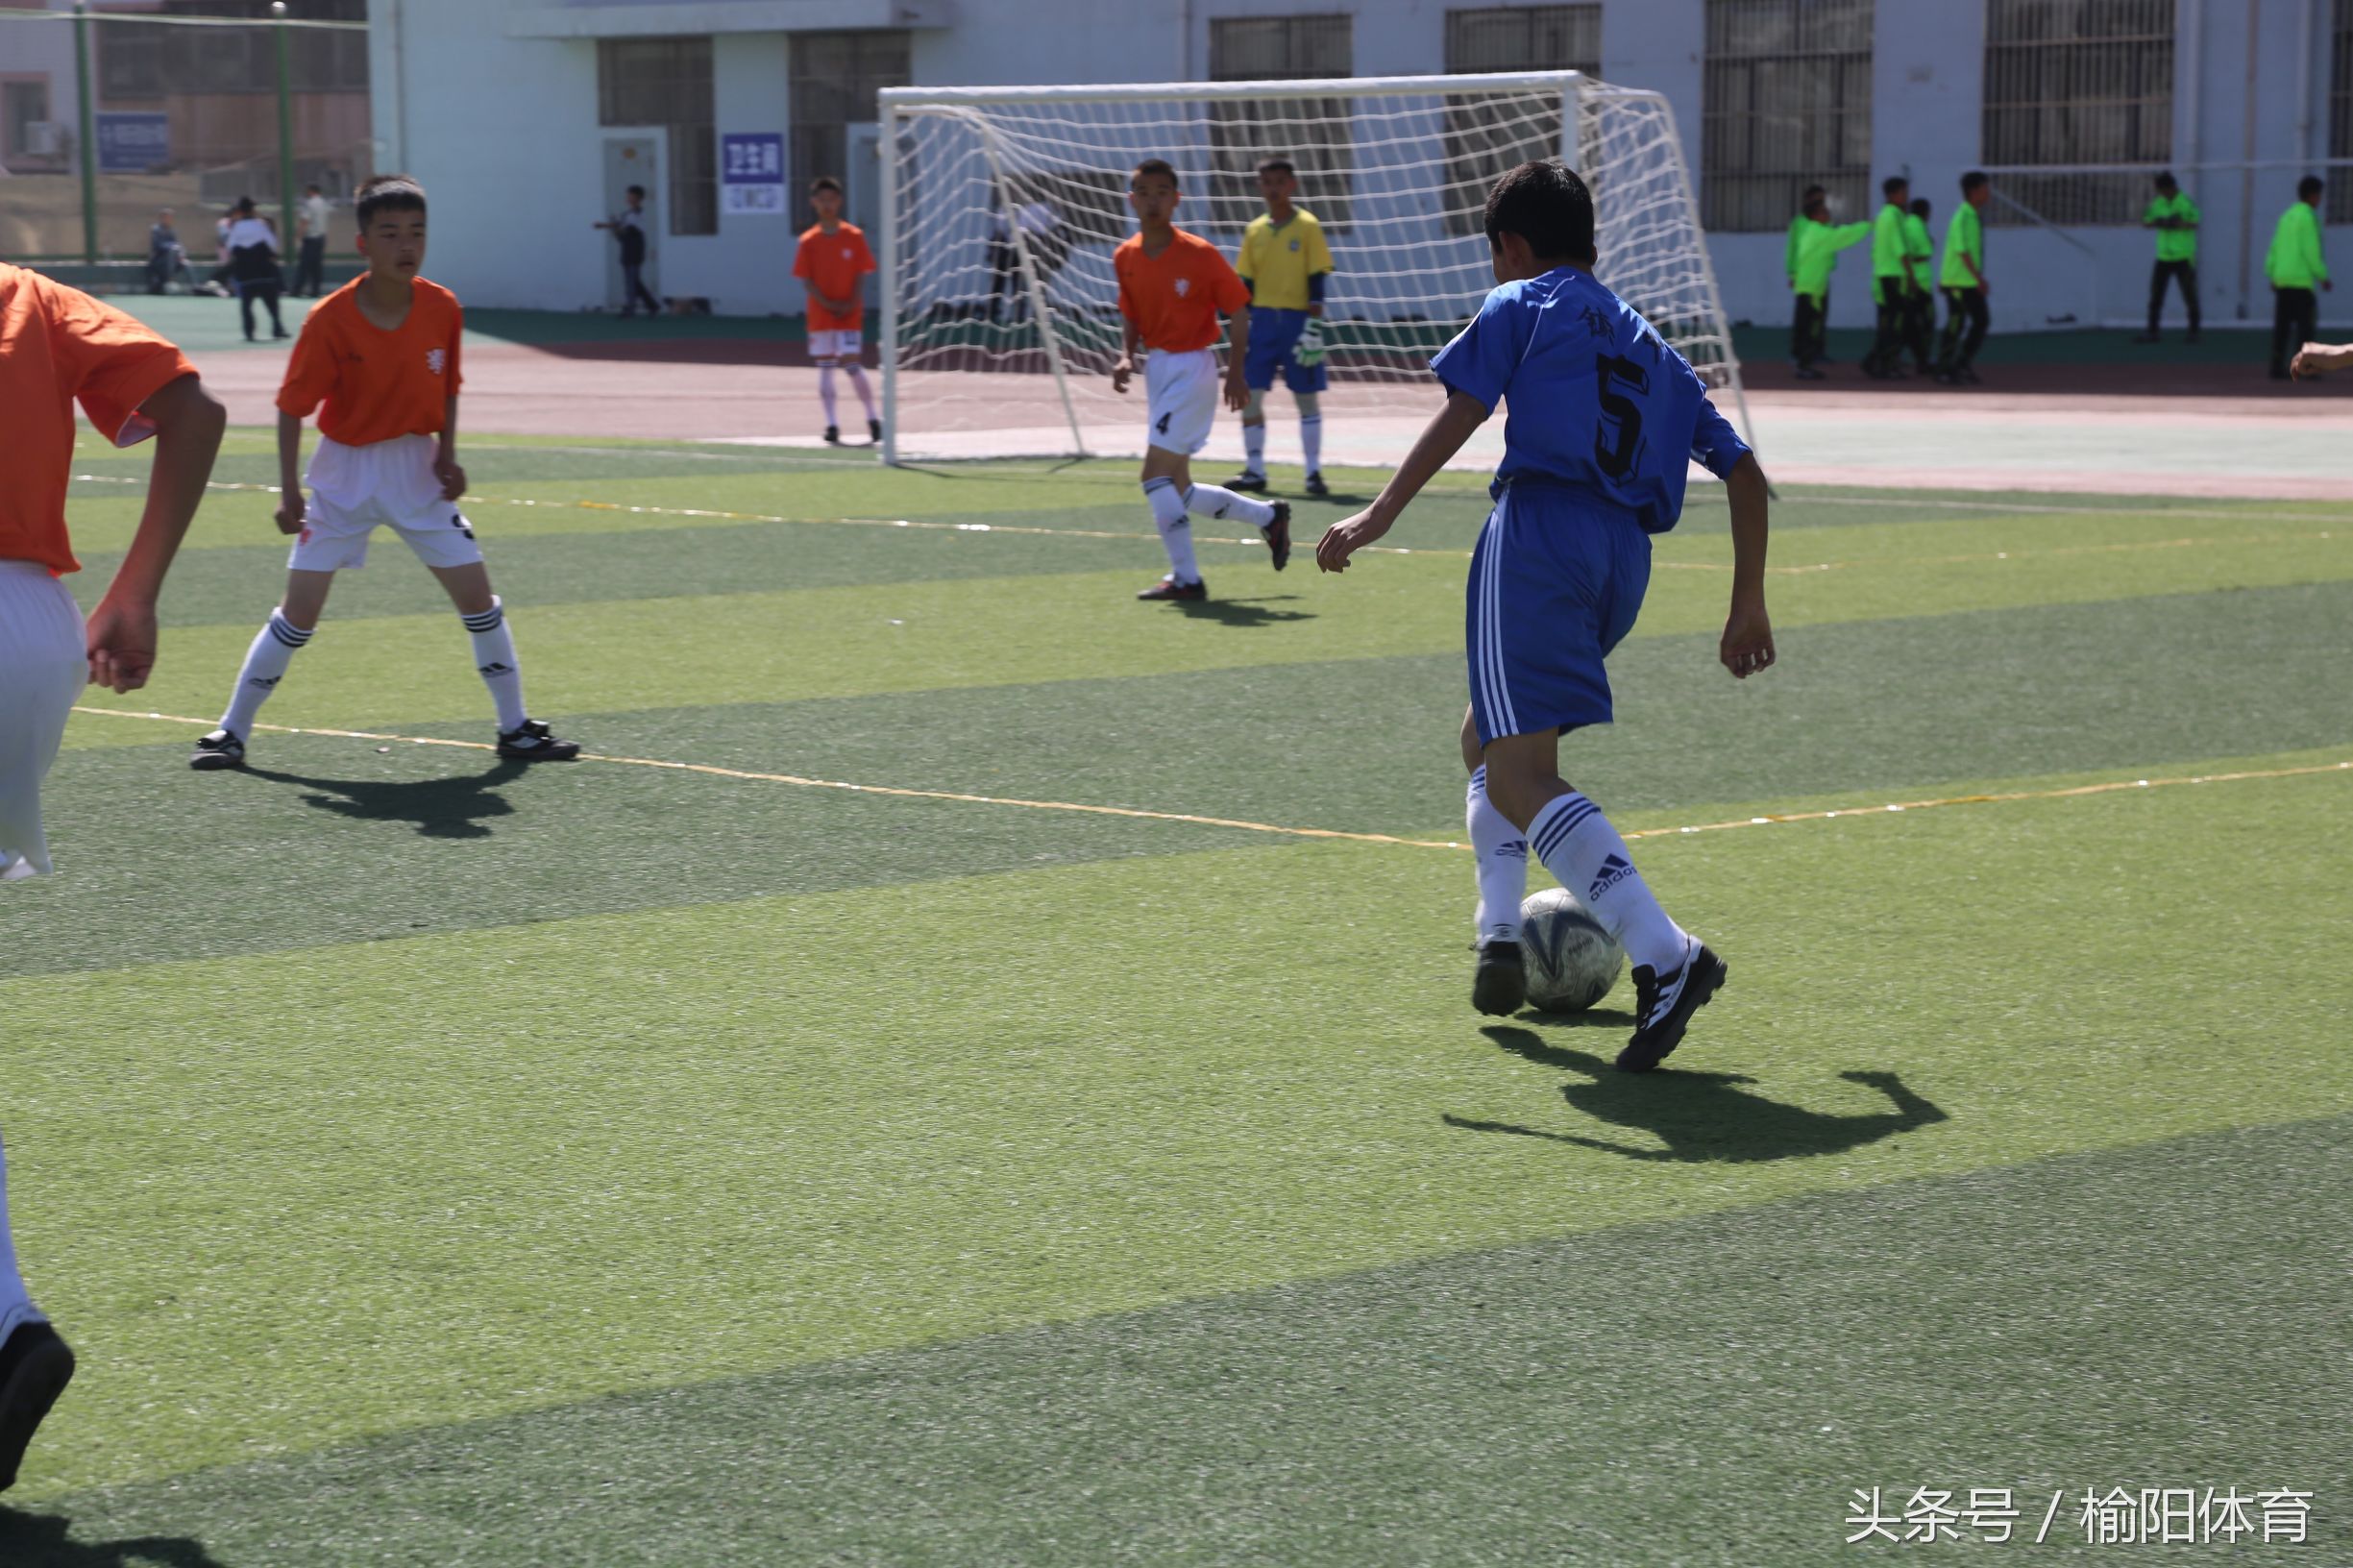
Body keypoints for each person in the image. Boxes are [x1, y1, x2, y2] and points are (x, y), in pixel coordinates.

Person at [1313, 159, 1773, 1066]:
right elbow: (1747, 474)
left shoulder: (1524, 301)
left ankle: (1665, 953)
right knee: (1484, 737)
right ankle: (1495, 932)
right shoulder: (1657, 349)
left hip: (1538, 535)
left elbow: (1467, 406)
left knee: (1521, 774)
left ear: (1511, 246)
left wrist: (1379, 513)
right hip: (1622, 562)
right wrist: (1746, 603)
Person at [0, 260, 226, 1487]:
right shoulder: (26, 295)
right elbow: (194, 407)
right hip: (28, 632)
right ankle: (3, 1327)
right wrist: (133, 589)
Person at [188, 175, 580, 772]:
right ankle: (231, 732)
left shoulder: (442, 306)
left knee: (478, 599)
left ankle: (515, 728)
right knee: (299, 613)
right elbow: (293, 407)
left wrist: (447, 453)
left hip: (417, 471)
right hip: (343, 476)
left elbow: (447, 387)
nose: (407, 245)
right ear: (363, 243)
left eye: (417, 233)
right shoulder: (330, 319)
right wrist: (290, 490)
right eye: (391, 233)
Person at [1111, 159, 1290, 601]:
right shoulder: (1126, 256)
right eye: (1144, 193)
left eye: (1161, 192)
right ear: (1132, 200)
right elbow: (1130, 313)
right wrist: (1125, 356)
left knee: (1153, 474)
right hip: (1158, 368)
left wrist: (1237, 371)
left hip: (1193, 368)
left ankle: (1187, 578)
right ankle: (1268, 517)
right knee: (1179, 488)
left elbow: (1240, 310)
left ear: (1176, 199)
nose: (1152, 201)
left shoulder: (1200, 254)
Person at [1227, 156, 1336, 498]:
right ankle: (1255, 469)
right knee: (1251, 397)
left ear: (1292, 184)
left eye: (1279, 182)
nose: (1273, 188)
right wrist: (1240, 319)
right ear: (1259, 186)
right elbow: (1244, 280)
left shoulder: (1307, 225)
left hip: (1297, 322)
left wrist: (1314, 324)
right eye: (1266, 182)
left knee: (1305, 398)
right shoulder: (1254, 230)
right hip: (1261, 323)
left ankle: (1313, 472)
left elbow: (1317, 276)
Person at [792, 177, 881, 445]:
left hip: (849, 312)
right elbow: (806, 280)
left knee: (852, 363)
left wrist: (851, 301)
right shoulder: (808, 241)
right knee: (826, 367)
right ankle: (832, 424)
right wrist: (827, 303)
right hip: (821, 314)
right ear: (814, 203)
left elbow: (861, 274)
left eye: (831, 199)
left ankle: (873, 418)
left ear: (839, 202)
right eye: (821, 200)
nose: (827, 205)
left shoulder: (853, 236)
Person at [1789, 193, 1870, 380]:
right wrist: (1867, 226)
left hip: (1808, 287)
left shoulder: (1810, 230)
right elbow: (1843, 236)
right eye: (1824, 212)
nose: (1828, 216)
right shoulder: (1819, 232)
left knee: (1806, 328)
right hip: (1813, 290)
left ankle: (1803, 363)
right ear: (1815, 216)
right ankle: (1804, 365)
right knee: (1811, 329)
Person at [2265, 176, 2330, 380]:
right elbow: (2311, 250)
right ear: (2312, 195)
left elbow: (2274, 248)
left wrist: (2272, 273)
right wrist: (2322, 276)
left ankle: (2276, 366)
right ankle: (2304, 367)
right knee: (2305, 327)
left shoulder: (2286, 217)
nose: (2319, 199)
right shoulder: (2308, 217)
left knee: (2282, 327)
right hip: (2301, 281)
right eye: (2319, 195)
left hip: (2282, 280)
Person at [1934, 171, 1992, 386]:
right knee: (1955, 324)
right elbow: (1961, 251)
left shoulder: (1973, 216)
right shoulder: (1962, 216)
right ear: (1973, 191)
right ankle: (1943, 368)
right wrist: (1979, 279)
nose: (1988, 193)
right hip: (1958, 282)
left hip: (1967, 281)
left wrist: (1977, 278)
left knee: (1981, 321)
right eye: (1985, 188)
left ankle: (1962, 364)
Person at [2137, 172, 2200, 343]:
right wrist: (2159, 222)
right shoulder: (2158, 203)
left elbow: (2195, 223)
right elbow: (2145, 221)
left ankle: (2194, 332)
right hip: (2163, 257)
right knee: (2156, 296)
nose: (2160, 194)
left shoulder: (2185, 202)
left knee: (2189, 296)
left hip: (2183, 257)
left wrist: (2178, 224)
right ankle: (2152, 331)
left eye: (2162, 190)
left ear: (2170, 187)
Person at [1859, 176, 1912, 379]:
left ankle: (1875, 361)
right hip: (1894, 275)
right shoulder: (1894, 216)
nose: (1905, 197)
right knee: (1897, 323)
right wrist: (1911, 276)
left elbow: (1875, 251)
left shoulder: (1883, 216)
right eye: (1903, 192)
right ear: (1892, 195)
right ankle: (1886, 363)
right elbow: (1900, 250)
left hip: (1883, 276)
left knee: (1889, 322)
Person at [1784, 184, 1836, 366]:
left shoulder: (1825, 221)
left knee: (1820, 316)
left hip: (1821, 275)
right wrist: (1792, 272)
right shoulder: (1800, 223)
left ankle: (1817, 351)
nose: (1820, 203)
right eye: (1817, 200)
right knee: (1804, 317)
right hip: (1804, 277)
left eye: (1822, 200)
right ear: (1808, 201)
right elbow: (1793, 249)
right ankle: (1798, 352)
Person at [224, 195, 286, 341]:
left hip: (245, 272)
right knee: (271, 302)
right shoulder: (261, 225)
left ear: (240, 210)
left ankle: (249, 332)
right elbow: (272, 245)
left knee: (246, 305)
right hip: (263, 270)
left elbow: (230, 247)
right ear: (253, 210)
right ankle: (277, 328)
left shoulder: (236, 227)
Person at [594, 185, 661, 318]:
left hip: (634, 249)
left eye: (631, 195)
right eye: (628, 195)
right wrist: (604, 225)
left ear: (638, 198)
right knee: (634, 281)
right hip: (628, 248)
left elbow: (623, 229)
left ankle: (630, 309)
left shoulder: (637, 214)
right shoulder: (629, 213)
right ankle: (652, 305)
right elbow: (618, 224)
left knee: (630, 280)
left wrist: (613, 228)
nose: (628, 198)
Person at [1902, 197, 1937, 374]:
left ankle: (1919, 359)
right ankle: (1922, 360)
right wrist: (1930, 244)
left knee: (1910, 323)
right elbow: (1926, 252)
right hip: (1920, 283)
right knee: (1927, 322)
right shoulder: (1917, 225)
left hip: (1912, 281)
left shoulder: (1908, 223)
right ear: (1925, 212)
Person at [294, 183, 330, 297]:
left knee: (304, 266)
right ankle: (315, 290)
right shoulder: (324, 203)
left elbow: (305, 220)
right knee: (316, 266)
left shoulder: (309, 204)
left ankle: (297, 290)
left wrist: (298, 236)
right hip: (320, 238)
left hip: (310, 238)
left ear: (311, 191)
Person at [144, 208, 191, 294]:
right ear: (162, 218)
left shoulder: (172, 231)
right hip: (159, 260)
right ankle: (170, 280)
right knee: (172, 251)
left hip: (173, 259)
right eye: (167, 217)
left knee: (186, 263)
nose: (169, 219)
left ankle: (195, 286)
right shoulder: (156, 230)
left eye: (170, 217)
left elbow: (179, 245)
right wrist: (172, 247)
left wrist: (181, 254)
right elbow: (157, 245)